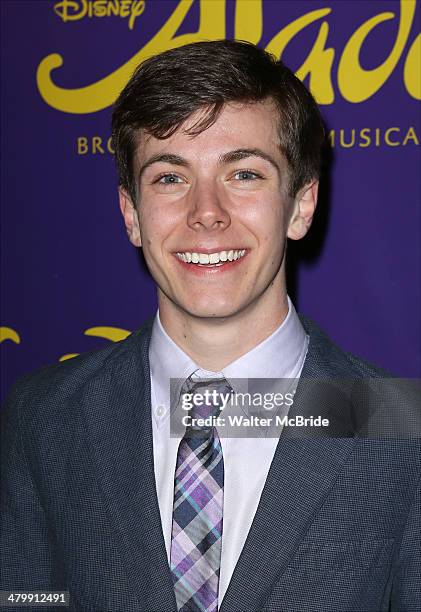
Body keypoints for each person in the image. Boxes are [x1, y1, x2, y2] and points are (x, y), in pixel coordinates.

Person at [1, 40, 420, 612]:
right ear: (132, 215)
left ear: (300, 205)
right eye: (170, 178)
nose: (206, 211)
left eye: (243, 174)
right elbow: (26, 597)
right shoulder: (42, 416)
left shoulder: (401, 430)